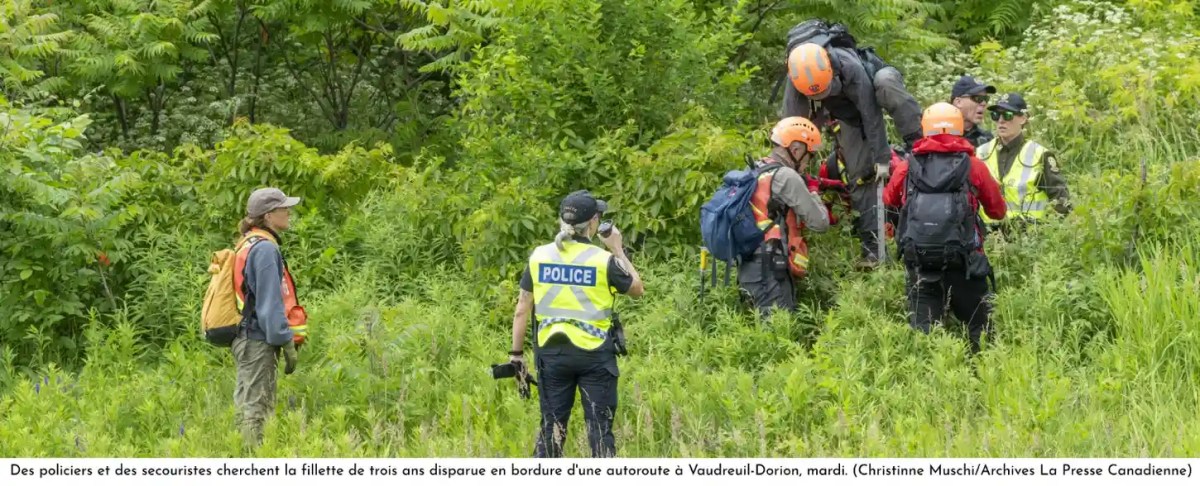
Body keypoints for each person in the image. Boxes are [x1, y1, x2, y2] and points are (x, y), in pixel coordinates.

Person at [509, 190, 644, 458]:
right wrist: (617, 249)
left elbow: (522, 309)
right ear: (593, 222)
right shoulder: (602, 260)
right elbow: (637, 289)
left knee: (551, 432)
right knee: (599, 432)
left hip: (552, 354)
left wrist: (516, 355)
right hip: (595, 356)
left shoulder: (539, 256)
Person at [782, 41, 922, 269]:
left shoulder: (850, 67)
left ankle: (921, 144)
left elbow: (871, 115)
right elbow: (790, 125)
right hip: (847, 114)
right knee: (860, 175)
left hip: (871, 92)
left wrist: (882, 158)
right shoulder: (795, 78)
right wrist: (788, 167)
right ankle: (873, 251)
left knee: (886, 83)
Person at [884, 103, 1006, 355]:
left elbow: (889, 200)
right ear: (959, 129)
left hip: (920, 260)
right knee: (979, 328)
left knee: (924, 335)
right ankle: (982, 378)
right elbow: (998, 211)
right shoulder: (974, 166)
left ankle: (927, 384)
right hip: (965, 261)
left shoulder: (908, 166)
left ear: (925, 130)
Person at [231, 187, 307, 448]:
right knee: (257, 412)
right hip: (257, 341)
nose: (288, 212)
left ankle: (243, 456)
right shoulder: (264, 249)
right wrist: (286, 341)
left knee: (246, 407)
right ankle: (254, 463)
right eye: (283, 208)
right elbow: (269, 305)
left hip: (247, 338)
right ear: (268, 215)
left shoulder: (249, 242)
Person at [738, 117, 831, 316]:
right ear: (796, 150)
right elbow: (820, 223)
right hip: (770, 271)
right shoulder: (787, 177)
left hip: (747, 266)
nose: (809, 162)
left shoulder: (755, 168)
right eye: (810, 155)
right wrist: (813, 193)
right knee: (777, 333)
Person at [977, 93, 1073, 226]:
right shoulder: (981, 152)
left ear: (1023, 119)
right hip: (988, 236)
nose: (1001, 120)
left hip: (1028, 235)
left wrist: (1049, 231)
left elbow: (1061, 200)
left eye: (1007, 115)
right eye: (996, 115)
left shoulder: (1039, 154)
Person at [949, 75, 996, 147]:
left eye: (986, 99)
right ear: (958, 102)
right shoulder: (936, 133)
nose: (983, 103)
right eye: (977, 98)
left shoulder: (986, 139)